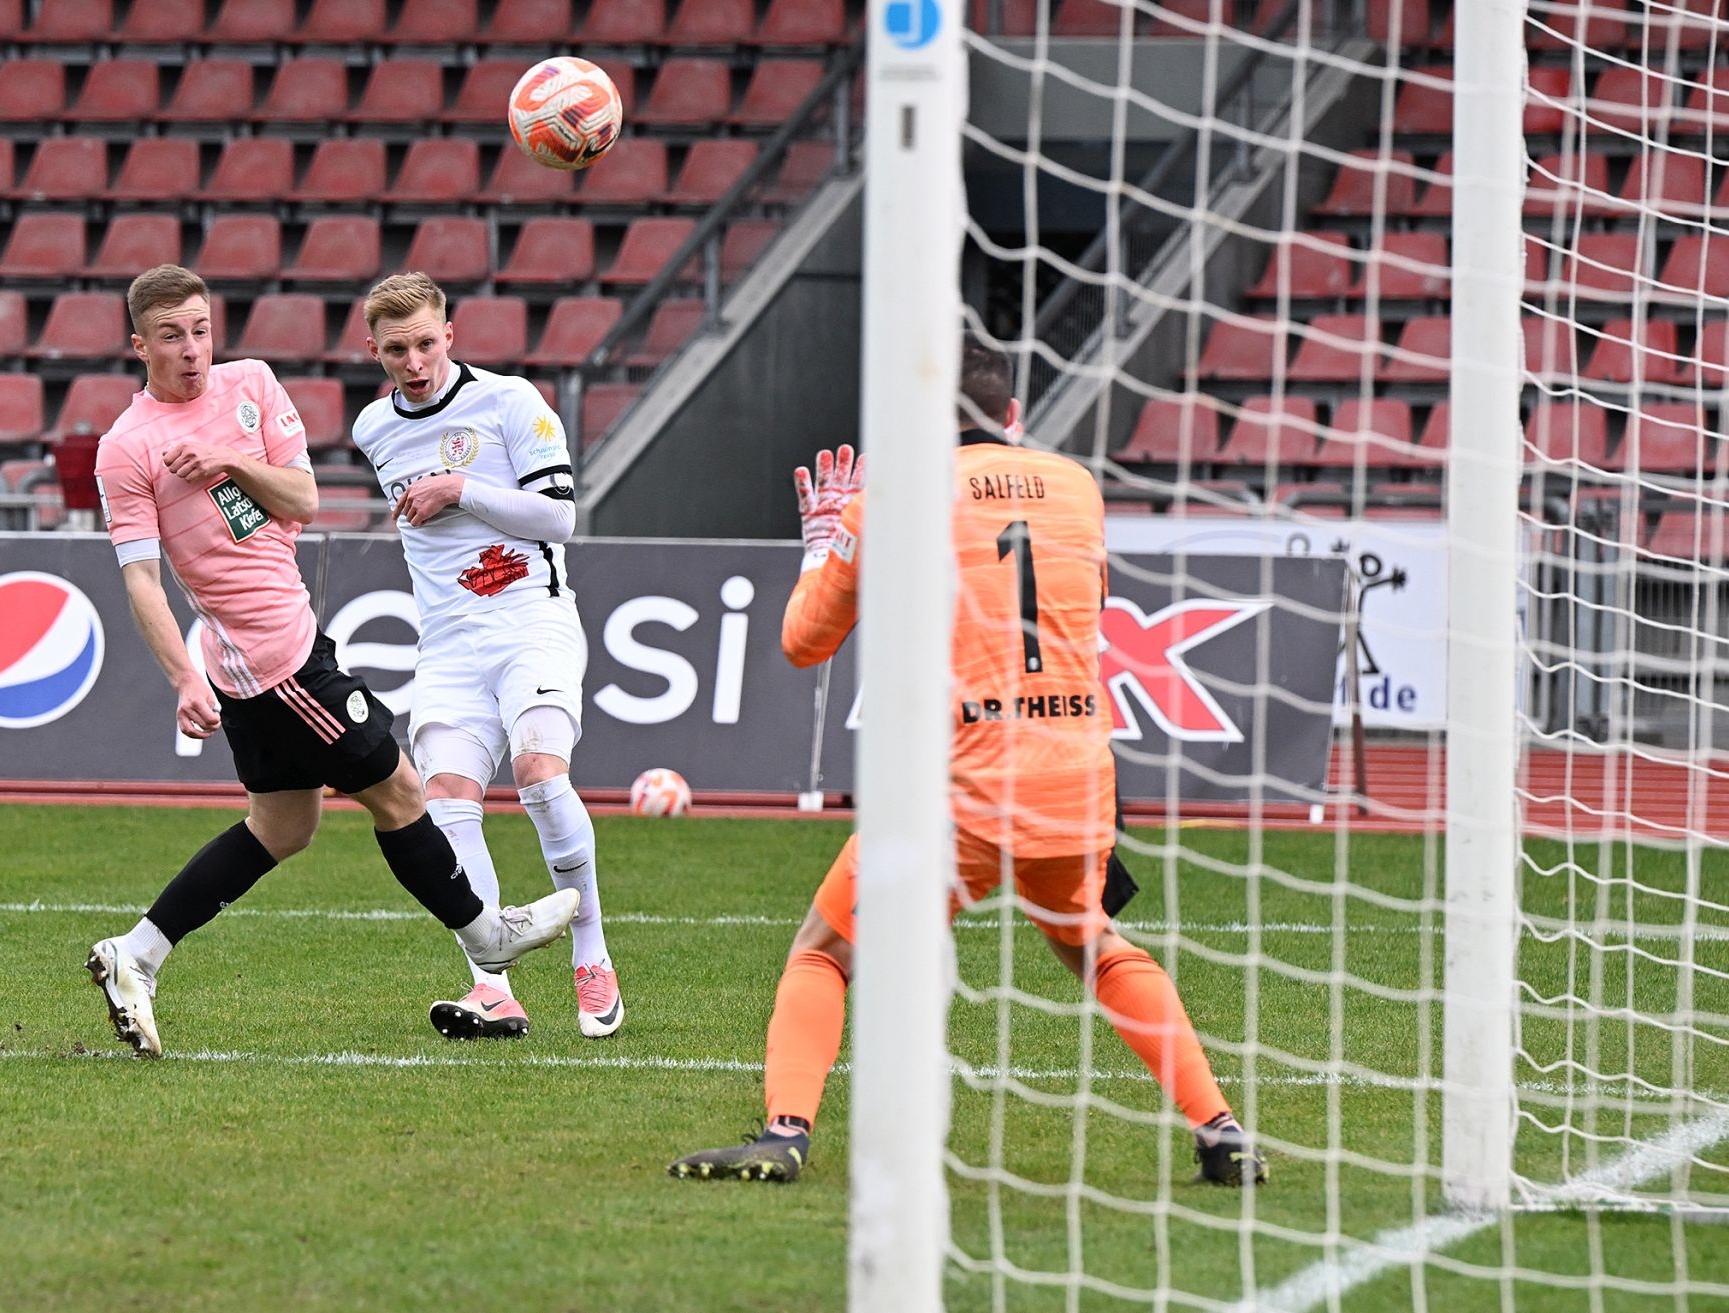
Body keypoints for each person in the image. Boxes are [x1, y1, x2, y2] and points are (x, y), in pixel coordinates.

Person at [669, 340, 1266, 1185]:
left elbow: (804, 643)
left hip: (958, 791)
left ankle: (785, 1131)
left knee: (823, 952)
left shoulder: (890, 500)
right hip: (1074, 777)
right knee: (1094, 944)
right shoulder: (1078, 488)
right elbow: (1084, 605)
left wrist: (823, 544)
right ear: (1013, 414)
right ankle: (1220, 1128)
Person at [85, 263, 578, 1058]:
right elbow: (141, 577)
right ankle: (487, 936)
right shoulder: (126, 447)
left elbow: (303, 499)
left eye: (201, 329)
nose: (192, 348)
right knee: (401, 789)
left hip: (287, 640)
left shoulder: (251, 383)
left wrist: (228, 462)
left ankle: (135, 953)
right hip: (271, 662)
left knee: (283, 826)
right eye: (171, 336)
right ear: (139, 345)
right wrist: (182, 675)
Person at [350, 271, 622, 1041]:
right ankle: (492, 987)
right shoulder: (373, 428)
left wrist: (458, 487)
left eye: (425, 343)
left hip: (530, 621)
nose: (414, 362)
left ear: (450, 335)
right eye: (396, 349)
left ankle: (591, 953)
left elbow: (560, 517)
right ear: (373, 351)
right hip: (446, 642)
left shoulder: (510, 402)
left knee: (541, 772)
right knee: (445, 797)